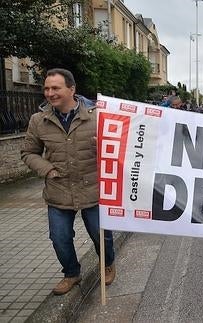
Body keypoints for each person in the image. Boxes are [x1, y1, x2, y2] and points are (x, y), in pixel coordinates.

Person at [21, 68, 115, 295]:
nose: (50, 93)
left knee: (101, 234)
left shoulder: (98, 115)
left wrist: (102, 147)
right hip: (59, 189)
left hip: (92, 188)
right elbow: (28, 153)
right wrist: (47, 169)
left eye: (55, 88)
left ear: (71, 89)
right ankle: (71, 273)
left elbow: (118, 148)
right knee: (59, 237)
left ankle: (108, 264)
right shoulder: (38, 120)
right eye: (46, 88)